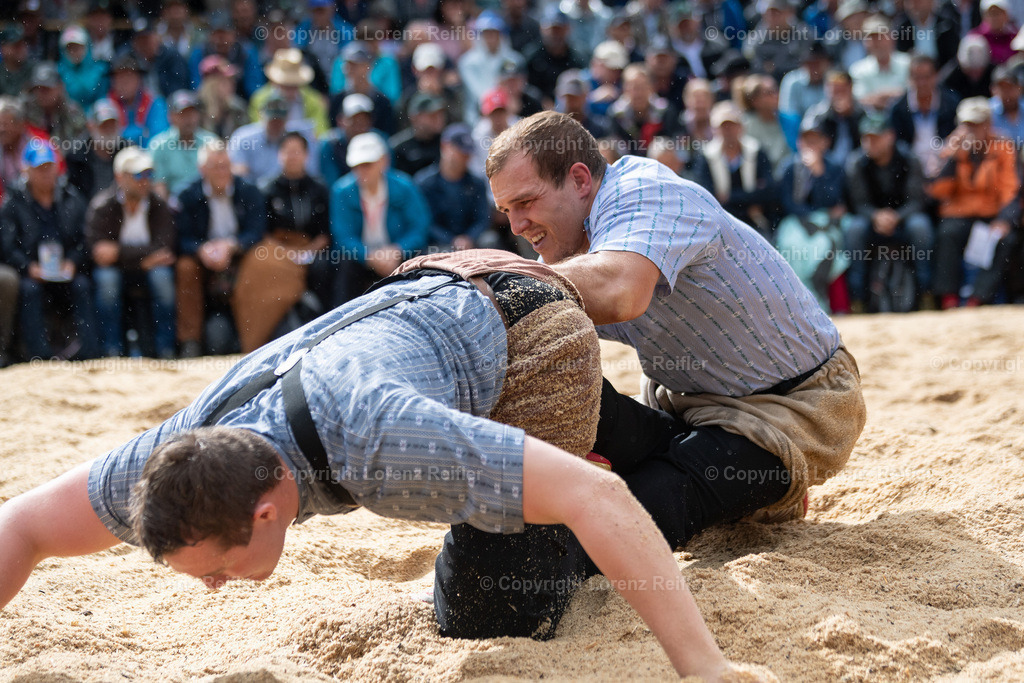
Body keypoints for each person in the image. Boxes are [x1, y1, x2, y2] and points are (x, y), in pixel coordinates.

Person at [0, 249, 734, 681]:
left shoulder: (384, 446)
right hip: (419, 313)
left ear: (265, 511)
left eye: (215, 567)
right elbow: (23, 525)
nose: (212, 585)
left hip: (528, 328)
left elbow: (595, 496)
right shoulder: (183, 453)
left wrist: (706, 669)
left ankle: (718, 460)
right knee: (530, 494)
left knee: (492, 612)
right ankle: (640, 431)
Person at [480, 113, 866, 634]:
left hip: (797, 408)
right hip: (687, 407)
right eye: (506, 211)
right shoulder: (574, 242)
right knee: (556, 394)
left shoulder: (646, 191)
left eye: (525, 202)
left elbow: (619, 290)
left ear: (579, 179)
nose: (516, 226)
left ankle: (761, 495)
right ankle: (743, 498)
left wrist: (491, 285)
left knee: (638, 509)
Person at [234, 132, 333, 351]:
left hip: (313, 249)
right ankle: (259, 340)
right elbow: (261, 231)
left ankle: (326, 333)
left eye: (297, 151)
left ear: (306, 155)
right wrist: (285, 253)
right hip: (275, 249)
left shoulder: (319, 188)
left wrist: (308, 251)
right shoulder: (265, 189)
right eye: (287, 151)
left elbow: (325, 233)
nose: (292, 157)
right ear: (279, 155)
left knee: (326, 266)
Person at [0, 142, 99, 361]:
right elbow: (7, 246)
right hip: (31, 272)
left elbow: (85, 240)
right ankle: (38, 355)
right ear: (27, 170)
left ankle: (89, 352)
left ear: (56, 168)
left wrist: (73, 262)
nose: (45, 173)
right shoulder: (13, 202)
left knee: (82, 286)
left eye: (48, 167)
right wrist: (28, 267)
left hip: (66, 270)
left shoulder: (72, 197)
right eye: (39, 168)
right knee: (30, 290)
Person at [175, 139, 266, 357]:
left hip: (239, 254)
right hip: (203, 258)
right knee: (185, 267)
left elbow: (257, 231)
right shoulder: (187, 195)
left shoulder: (248, 190)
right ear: (202, 169)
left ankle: (255, 338)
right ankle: (190, 341)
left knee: (263, 261)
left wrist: (232, 246)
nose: (222, 172)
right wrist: (201, 249)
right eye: (215, 167)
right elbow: (180, 238)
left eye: (225, 166)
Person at [927, 97, 1021, 308]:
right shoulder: (951, 147)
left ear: (988, 124)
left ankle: (977, 299)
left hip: (991, 214)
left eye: (976, 124)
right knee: (947, 234)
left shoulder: (1004, 147)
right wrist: (952, 158)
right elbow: (937, 191)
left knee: (1004, 239)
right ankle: (948, 299)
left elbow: (1011, 188)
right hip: (959, 213)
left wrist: (1004, 220)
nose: (971, 130)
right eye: (967, 124)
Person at [85, 146, 176, 359]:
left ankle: (166, 349)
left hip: (140, 268)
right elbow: (97, 252)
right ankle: (111, 349)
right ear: (120, 177)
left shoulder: (159, 204)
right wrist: (143, 259)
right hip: (118, 270)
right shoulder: (102, 206)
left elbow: (165, 248)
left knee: (163, 279)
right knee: (107, 282)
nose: (144, 181)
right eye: (138, 175)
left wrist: (118, 253)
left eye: (148, 174)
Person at [844, 113, 934, 312]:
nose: (870, 143)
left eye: (875, 138)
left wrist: (896, 217)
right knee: (854, 229)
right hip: (871, 221)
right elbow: (858, 203)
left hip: (904, 220)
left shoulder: (909, 159)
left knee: (920, 226)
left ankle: (926, 294)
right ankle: (857, 299)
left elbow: (917, 201)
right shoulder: (856, 162)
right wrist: (876, 216)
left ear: (890, 136)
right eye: (866, 138)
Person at [330, 132, 429, 304]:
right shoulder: (341, 191)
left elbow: (419, 226)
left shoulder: (404, 187)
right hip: (361, 259)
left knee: (422, 260)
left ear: (383, 161)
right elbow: (343, 236)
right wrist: (368, 256)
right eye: (357, 166)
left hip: (399, 255)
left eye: (368, 164)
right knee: (343, 263)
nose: (362, 171)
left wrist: (398, 250)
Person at [692, 101, 777, 238]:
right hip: (720, 222)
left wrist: (728, 197)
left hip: (754, 221)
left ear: (741, 127)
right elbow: (706, 196)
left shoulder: (756, 151)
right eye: (723, 126)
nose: (728, 130)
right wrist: (749, 198)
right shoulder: (706, 156)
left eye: (732, 125)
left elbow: (768, 191)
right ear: (714, 129)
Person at [414, 124, 492, 251]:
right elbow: (424, 222)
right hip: (439, 243)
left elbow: (483, 219)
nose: (463, 157)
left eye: (466, 153)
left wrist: (469, 238)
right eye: (459, 151)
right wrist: (452, 240)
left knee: (490, 241)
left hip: (472, 242)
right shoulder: (424, 183)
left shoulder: (476, 183)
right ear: (444, 146)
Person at [229, 94, 319, 187]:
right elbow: (239, 177)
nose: (276, 124)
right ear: (261, 115)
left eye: (280, 120)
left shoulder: (299, 137)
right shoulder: (244, 138)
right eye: (272, 120)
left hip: (289, 190)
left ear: (287, 118)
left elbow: (311, 171)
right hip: (255, 191)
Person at [148, 90, 218, 201]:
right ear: (171, 117)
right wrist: (166, 208)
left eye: (191, 114)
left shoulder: (211, 143)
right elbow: (158, 185)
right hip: (174, 205)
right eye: (182, 114)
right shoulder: (159, 146)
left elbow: (219, 178)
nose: (188, 119)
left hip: (207, 203)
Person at [197, 56, 249, 140]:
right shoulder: (195, 109)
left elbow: (244, 140)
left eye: (232, 80)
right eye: (226, 80)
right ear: (211, 84)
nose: (233, 84)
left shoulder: (238, 109)